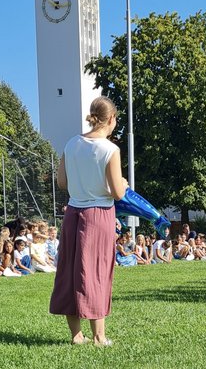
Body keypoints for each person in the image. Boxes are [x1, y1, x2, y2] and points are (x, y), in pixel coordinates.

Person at [50, 96, 127, 346]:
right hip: (99, 215)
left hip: (73, 212)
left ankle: (76, 335)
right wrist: (123, 184)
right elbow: (118, 193)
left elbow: (62, 183)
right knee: (96, 271)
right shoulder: (110, 150)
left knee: (70, 270)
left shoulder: (71, 143)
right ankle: (99, 336)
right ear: (111, 119)